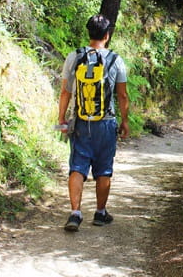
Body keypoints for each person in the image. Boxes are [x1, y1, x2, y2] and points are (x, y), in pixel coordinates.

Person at [58, 14, 129, 231]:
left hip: (81, 121)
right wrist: (125, 121)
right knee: (104, 169)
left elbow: (65, 92)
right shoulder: (116, 60)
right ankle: (100, 212)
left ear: (89, 33)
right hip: (106, 122)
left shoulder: (75, 57)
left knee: (77, 167)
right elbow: (123, 96)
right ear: (107, 35)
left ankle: (75, 214)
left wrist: (61, 118)